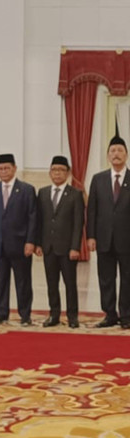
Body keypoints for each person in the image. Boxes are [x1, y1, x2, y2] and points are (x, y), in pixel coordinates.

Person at [0, 154, 37, 326]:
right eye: (0, 168)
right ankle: (1, 312)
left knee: (23, 282)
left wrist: (30, 241)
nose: (3, 171)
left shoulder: (27, 189)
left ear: (14, 168)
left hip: (20, 245)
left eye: (7, 168)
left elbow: (32, 217)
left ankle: (25, 314)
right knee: (0, 281)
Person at [35, 156, 84, 328]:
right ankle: (54, 314)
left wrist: (75, 247)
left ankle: (72, 316)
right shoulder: (42, 192)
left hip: (67, 248)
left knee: (70, 284)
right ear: (49, 173)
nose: (57, 173)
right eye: (54, 170)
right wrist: (38, 243)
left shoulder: (75, 194)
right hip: (48, 247)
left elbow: (79, 223)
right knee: (51, 283)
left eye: (61, 170)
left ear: (68, 173)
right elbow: (39, 221)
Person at [87, 135, 130, 329]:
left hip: (127, 239)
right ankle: (109, 314)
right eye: (112, 151)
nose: (116, 154)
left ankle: (127, 315)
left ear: (126, 155)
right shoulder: (98, 179)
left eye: (120, 150)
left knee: (128, 278)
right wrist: (91, 236)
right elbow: (92, 210)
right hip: (103, 238)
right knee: (106, 278)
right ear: (107, 156)